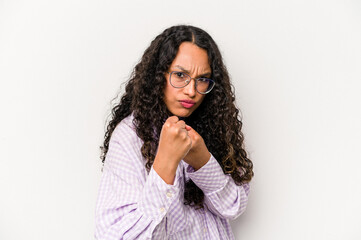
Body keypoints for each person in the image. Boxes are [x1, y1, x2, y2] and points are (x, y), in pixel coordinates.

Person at [95, 24, 254, 240]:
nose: (191, 91)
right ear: (158, 75)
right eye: (180, 75)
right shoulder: (129, 137)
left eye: (202, 79)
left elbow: (233, 207)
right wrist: (165, 163)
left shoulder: (215, 127)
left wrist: (203, 161)